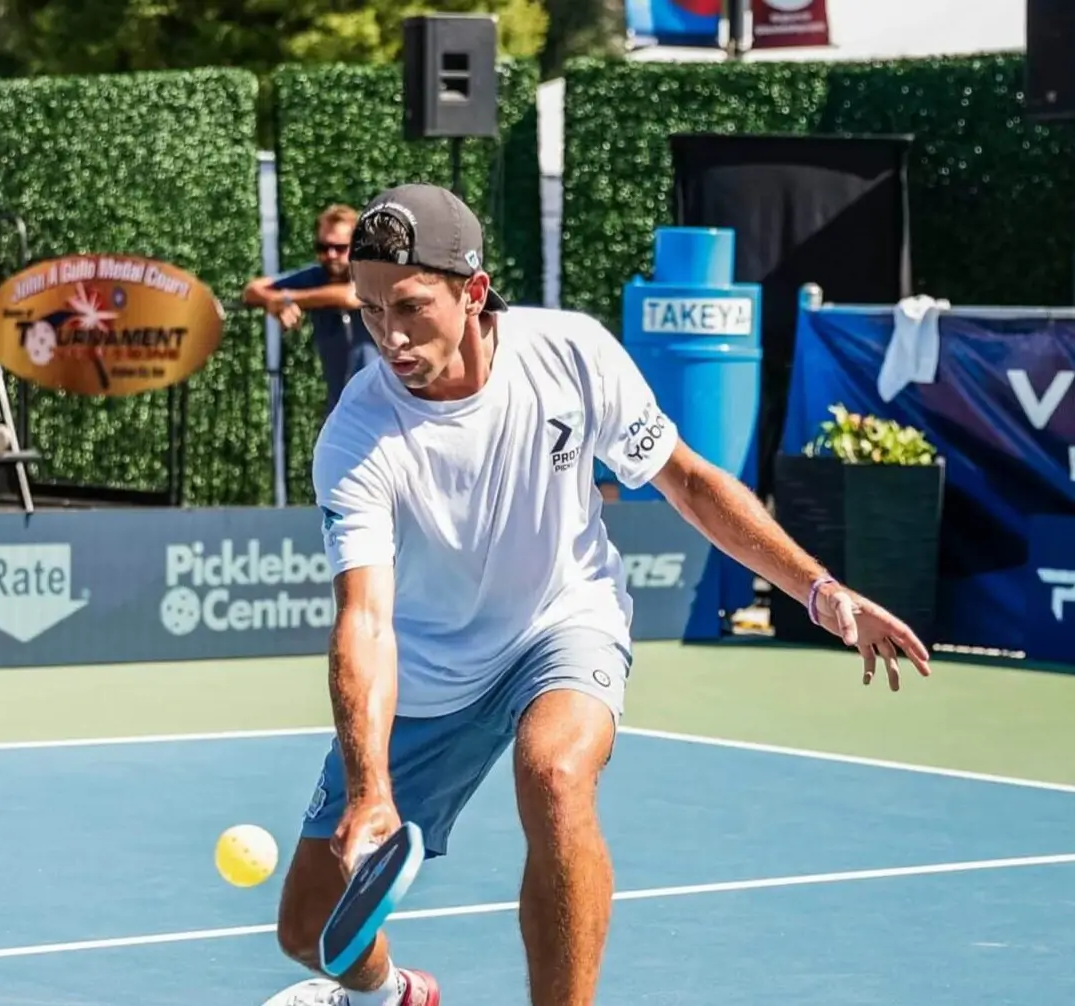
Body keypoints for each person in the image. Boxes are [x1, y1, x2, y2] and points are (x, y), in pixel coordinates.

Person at [272, 184, 932, 1006]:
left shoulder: (569, 352)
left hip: (560, 622)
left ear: (472, 291)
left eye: (409, 306)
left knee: (552, 773)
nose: (389, 336)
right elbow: (365, 619)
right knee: (308, 932)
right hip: (431, 668)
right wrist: (371, 789)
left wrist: (819, 588)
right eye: (370, 311)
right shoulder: (357, 433)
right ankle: (390, 994)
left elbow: (688, 481)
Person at [243, 204, 375, 414]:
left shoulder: (374, 274)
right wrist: (275, 303)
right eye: (322, 248)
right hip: (341, 411)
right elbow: (252, 290)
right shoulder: (316, 277)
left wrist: (286, 298)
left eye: (340, 248)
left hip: (386, 409)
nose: (330, 255)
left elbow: (350, 296)